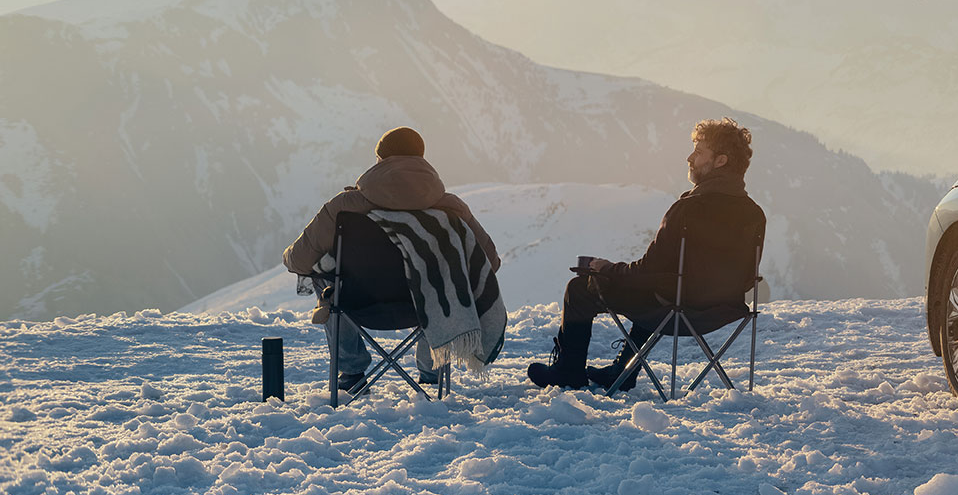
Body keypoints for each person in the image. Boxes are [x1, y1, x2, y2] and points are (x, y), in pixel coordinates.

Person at [528, 118, 766, 390]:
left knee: (580, 288)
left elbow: (646, 272)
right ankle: (624, 371)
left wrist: (606, 270)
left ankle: (568, 373)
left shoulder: (687, 209)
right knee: (664, 286)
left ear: (721, 161)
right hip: (723, 311)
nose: (690, 158)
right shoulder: (754, 214)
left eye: (699, 152)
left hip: (676, 309)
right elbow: (748, 278)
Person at [283, 126, 502, 391]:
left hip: (356, 304)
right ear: (422, 162)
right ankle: (432, 370)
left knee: (326, 278)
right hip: (422, 309)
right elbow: (489, 262)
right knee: (444, 280)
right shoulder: (450, 209)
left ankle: (352, 371)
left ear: (380, 162)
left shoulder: (344, 206)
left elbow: (299, 261)